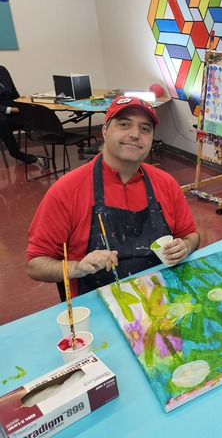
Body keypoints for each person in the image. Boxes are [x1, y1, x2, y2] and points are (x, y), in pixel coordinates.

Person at [26, 96, 200, 296]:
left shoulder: (166, 183)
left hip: (161, 295)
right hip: (98, 300)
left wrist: (185, 246)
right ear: (104, 131)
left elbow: (191, 235)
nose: (135, 134)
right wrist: (76, 268)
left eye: (145, 129)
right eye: (124, 124)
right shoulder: (66, 190)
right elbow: (35, 263)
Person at [0, 65, 38, 163]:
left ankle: (53, 137)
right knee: (2, 121)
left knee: (34, 111)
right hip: (3, 112)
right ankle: (16, 153)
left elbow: (14, 93)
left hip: (11, 108)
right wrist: (12, 110)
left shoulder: (2, 70)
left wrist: (21, 102)